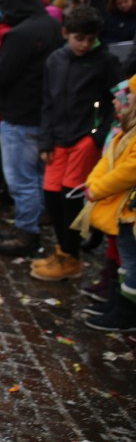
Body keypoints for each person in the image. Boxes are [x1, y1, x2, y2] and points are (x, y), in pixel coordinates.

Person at [0, 0, 64, 256]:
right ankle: (29, 224)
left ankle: (27, 233)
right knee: (35, 176)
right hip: (43, 113)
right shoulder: (49, 25)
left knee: (21, 178)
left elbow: (2, 75)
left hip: (20, 114)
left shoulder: (20, 33)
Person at [30, 5, 121, 280]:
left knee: (71, 197)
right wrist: (45, 140)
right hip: (57, 138)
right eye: (78, 38)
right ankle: (62, 250)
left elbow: (115, 103)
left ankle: (71, 256)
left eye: (89, 39)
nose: (84, 45)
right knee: (52, 195)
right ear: (65, 33)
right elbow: (47, 102)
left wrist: (96, 136)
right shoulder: (55, 60)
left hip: (83, 138)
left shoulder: (105, 62)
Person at [79, 75, 136, 332]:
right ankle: (119, 302)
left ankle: (126, 313)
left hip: (130, 209)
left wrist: (98, 189)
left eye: (128, 94)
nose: (121, 98)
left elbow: (129, 170)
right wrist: (93, 182)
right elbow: (108, 160)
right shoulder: (126, 132)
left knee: (132, 262)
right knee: (126, 259)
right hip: (124, 210)